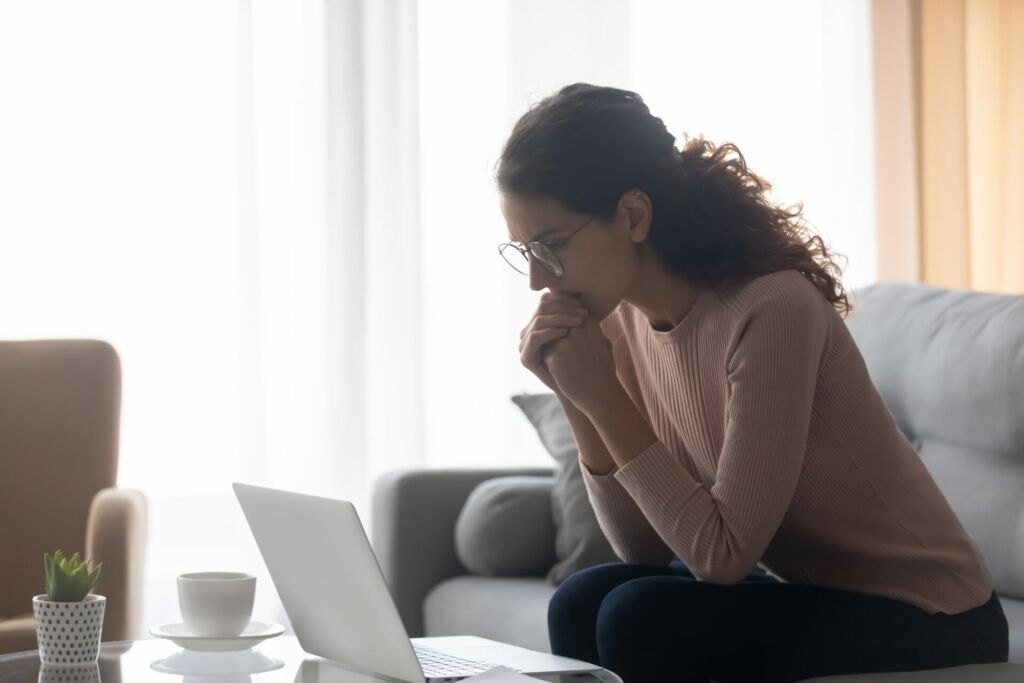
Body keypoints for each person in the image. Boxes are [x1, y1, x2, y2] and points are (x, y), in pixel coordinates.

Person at [494, 83, 1009, 683]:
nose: (536, 280)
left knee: (640, 616)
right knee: (582, 599)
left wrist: (603, 396)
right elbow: (643, 550)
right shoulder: (619, 323)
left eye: (550, 246)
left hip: (929, 614)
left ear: (633, 215)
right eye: (524, 251)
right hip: (805, 592)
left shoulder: (769, 309)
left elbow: (722, 557)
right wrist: (576, 396)